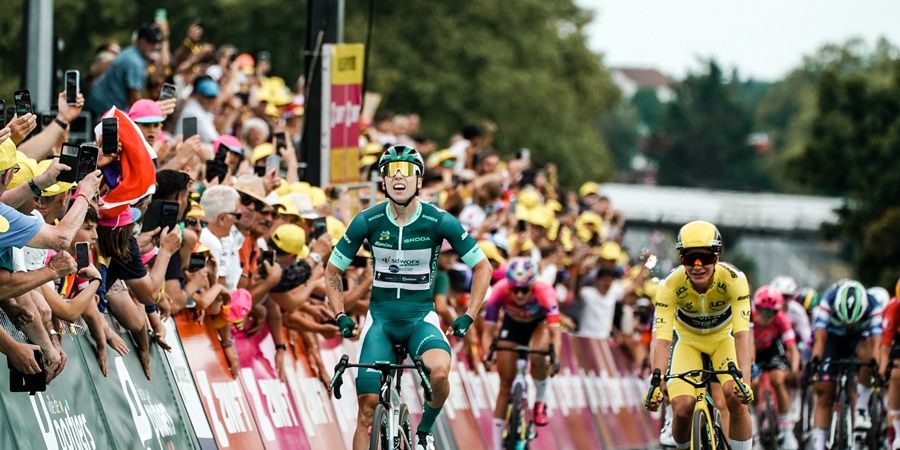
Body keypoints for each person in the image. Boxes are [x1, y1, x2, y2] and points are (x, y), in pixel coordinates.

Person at [324, 145, 492, 450]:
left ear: (419, 180)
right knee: (367, 410)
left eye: (406, 171)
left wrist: (469, 314)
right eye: (391, 171)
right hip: (381, 322)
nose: (398, 177)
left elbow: (483, 267)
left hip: (420, 319)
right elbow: (333, 269)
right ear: (383, 181)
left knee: (438, 373)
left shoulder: (439, 220)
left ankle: (425, 431)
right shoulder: (368, 220)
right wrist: (340, 315)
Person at [643, 220, 754, 450]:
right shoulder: (669, 285)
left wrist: (745, 383)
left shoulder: (734, 280)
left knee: (735, 397)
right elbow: (662, 339)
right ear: (681, 258)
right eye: (689, 258)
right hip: (688, 343)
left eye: (704, 258)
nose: (697, 266)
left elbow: (742, 334)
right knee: (682, 408)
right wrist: (656, 383)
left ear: (717, 256)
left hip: (723, 341)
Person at [481, 257, 561, 450]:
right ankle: (496, 447)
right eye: (514, 289)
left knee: (537, 355)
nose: (518, 294)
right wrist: (487, 354)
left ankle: (540, 402)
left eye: (524, 290)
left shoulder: (545, 291)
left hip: (538, 326)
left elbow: (555, 333)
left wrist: (555, 359)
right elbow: (488, 331)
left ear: (532, 286)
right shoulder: (499, 290)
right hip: (512, 327)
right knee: (504, 386)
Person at [809, 279, 882, 450]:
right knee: (825, 391)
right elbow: (820, 339)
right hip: (832, 339)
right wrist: (816, 362)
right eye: (845, 322)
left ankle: (861, 409)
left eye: (852, 322)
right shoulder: (828, 300)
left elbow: (877, 343)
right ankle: (819, 443)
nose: (848, 325)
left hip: (858, 338)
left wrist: (875, 366)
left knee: (869, 357)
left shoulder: (873, 305)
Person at [750, 285, 800, 449]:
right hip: (750, 348)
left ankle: (787, 431)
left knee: (778, 380)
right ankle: (754, 429)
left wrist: (794, 370)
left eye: (771, 312)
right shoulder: (747, 315)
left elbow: (792, 348)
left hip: (771, 350)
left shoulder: (781, 318)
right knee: (753, 384)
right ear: (756, 307)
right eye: (763, 311)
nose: (767, 316)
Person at [87, 24, 164, 116]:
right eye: (151, 42)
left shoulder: (132, 53)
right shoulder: (135, 61)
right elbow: (134, 99)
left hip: (101, 104)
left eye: (156, 43)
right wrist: (150, 113)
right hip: (103, 108)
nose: (155, 46)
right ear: (141, 42)